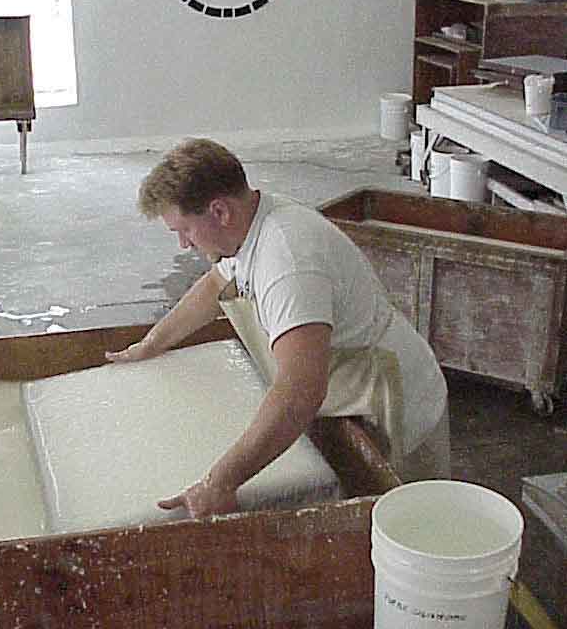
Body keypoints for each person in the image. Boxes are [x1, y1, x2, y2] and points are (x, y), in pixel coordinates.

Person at [106, 138, 450, 519]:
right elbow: (214, 285)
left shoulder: (287, 262)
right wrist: (152, 344)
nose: (184, 244)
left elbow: (300, 391)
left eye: (184, 229)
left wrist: (219, 482)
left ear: (219, 211)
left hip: (396, 402)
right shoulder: (245, 227)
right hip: (347, 386)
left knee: (412, 524)